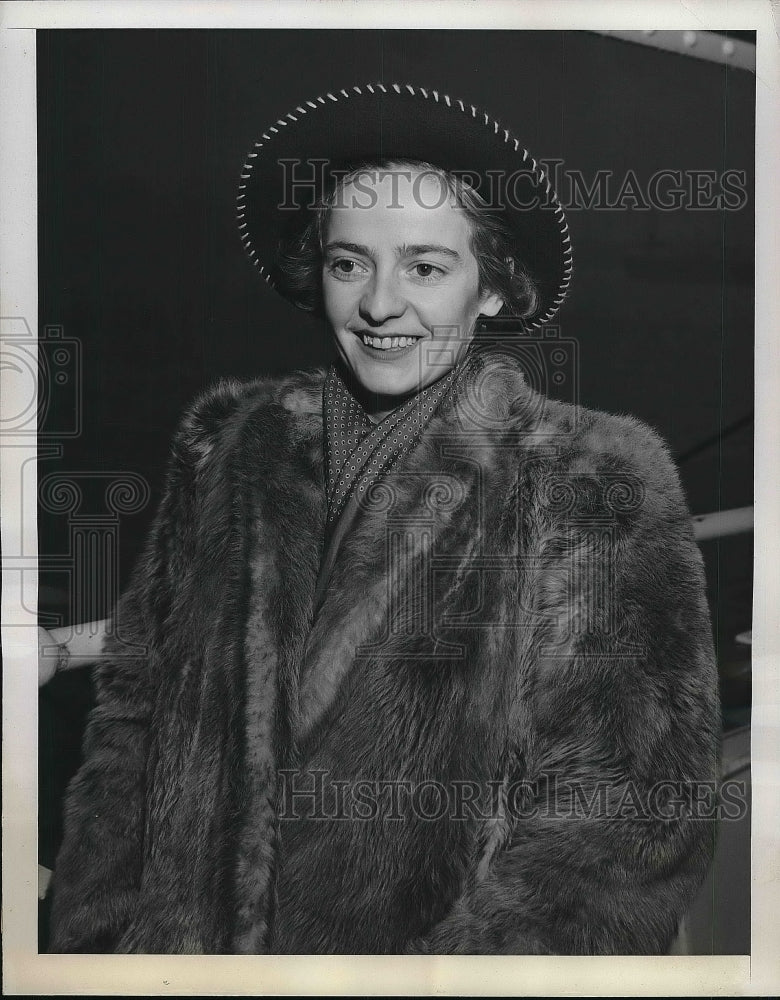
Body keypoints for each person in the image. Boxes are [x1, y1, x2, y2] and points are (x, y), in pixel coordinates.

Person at [47, 83, 720, 955]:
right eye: (349, 262)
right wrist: (100, 943)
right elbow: (134, 718)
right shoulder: (230, 445)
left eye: (426, 268)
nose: (378, 305)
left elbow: (633, 821)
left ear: (492, 290)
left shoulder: (592, 476)